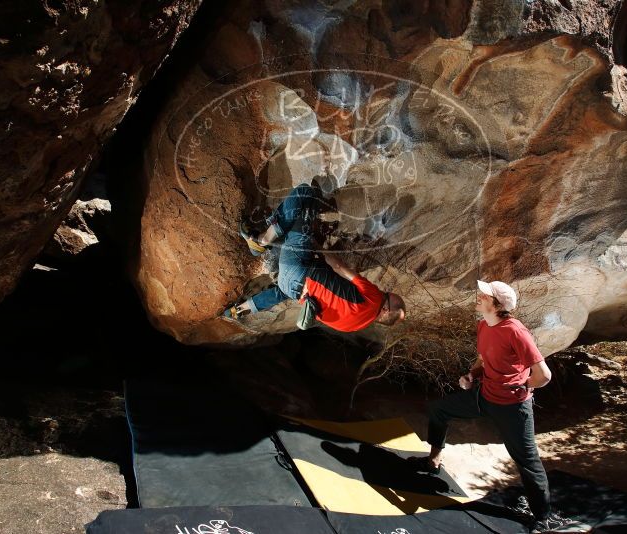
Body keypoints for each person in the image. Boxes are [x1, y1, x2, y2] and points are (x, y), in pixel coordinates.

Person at [409, 280, 577, 533]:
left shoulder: (516, 331)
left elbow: (544, 375)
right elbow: (483, 360)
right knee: (439, 410)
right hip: (484, 396)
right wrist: (472, 376)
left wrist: (523, 387)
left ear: (497, 304)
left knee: (527, 460)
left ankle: (543, 517)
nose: (478, 296)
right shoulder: (484, 325)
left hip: (513, 408)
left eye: (484, 295)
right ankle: (433, 461)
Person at [223, 181, 406, 332]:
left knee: (306, 194)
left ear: (385, 309)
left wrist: (317, 246)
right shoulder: (352, 326)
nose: (384, 292)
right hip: (292, 287)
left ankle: (261, 240)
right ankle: (239, 310)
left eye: (387, 295)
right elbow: (318, 301)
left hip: (298, 267)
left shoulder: (375, 299)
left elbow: (339, 268)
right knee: (284, 292)